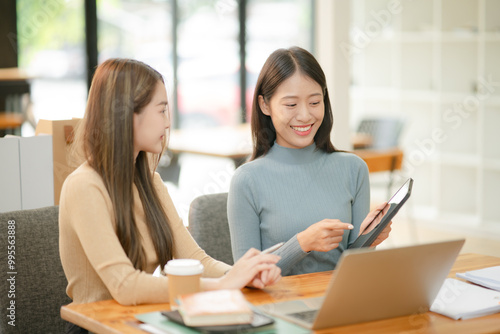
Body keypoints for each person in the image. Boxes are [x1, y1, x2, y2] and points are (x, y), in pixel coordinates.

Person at [59, 58, 281, 332]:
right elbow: (125, 286)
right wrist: (221, 286)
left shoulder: (150, 182)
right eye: (161, 110)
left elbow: (196, 260)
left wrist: (241, 276)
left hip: (141, 321)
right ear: (127, 114)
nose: (167, 123)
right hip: (97, 327)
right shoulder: (84, 186)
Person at [227, 47, 392, 276]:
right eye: (291, 105)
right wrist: (302, 243)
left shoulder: (353, 169)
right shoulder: (246, 181)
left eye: (314, 102)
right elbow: (246, 278)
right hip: (276, 308)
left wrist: (370, 240)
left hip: (339, 304)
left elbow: (356, 271)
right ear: (265, 105)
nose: (305, 116)